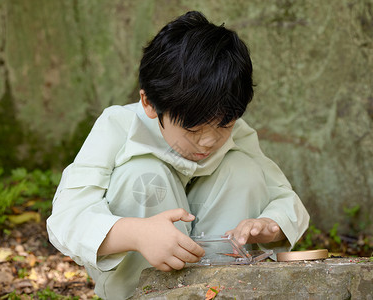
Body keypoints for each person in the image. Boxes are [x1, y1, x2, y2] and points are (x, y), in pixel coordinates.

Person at [47, 11, 309, 299]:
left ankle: (225, 291)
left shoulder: (239, 136)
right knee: (141, 175)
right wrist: (136, 233)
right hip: (139, 282)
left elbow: (285, 202)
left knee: (242, 170)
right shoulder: (117, 126)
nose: (209, 141)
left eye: (225, 125)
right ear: (149, 103)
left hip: (220, 280)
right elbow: (66, 218)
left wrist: (266, 226)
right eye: (193, 129)